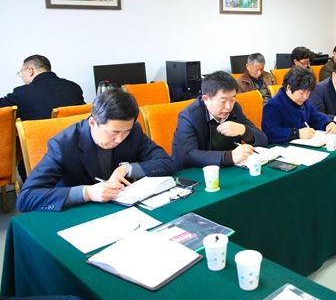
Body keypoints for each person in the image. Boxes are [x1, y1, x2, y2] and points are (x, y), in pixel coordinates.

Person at [16, 89, 177, 212]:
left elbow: (167, 163)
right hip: (79, 215)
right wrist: (87, 193)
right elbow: (26, 198)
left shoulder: (133, 131)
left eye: (125, 132)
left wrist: (127, 169)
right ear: (93, 123)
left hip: (123, 211)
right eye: (114, 132)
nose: (120, 139)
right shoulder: (63, 145)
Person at [172, 71, 268, 169]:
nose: (228, 107)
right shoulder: (189, 116)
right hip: (196, 173)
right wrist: (229, 156)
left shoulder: (235, 108)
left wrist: (244, 130)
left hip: (227, 169)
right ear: (206, 99)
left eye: (232, 100)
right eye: (223, 101)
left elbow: (263, 140)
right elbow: (188, 155)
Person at [262, 67, 336, 144]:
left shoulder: (303, 101)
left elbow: (315, 116)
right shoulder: (273, 106)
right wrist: (297, 133)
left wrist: (328, 123)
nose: (305, 97)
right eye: (302, 93)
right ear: (288, 88)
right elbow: (270, 133)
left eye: (308, 93)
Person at [0, 54, 84, 120]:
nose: (21, 76)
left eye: (21, 72)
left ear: (30, 70)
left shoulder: (22, 93)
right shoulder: (74, 87)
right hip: (73, 137)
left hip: (39, 137)